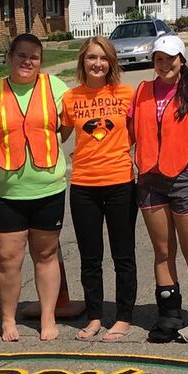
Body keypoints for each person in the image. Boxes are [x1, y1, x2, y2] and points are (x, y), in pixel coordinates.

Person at [0, 33, 69, 342]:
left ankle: (48, 316)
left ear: (41, 61)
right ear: (9, 57)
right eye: (21, 55)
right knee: (8, 259)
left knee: (45, 255)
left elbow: (67, 125)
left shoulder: (55, 87)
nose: (27, 61)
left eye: (34, 56)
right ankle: (8, 319)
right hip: (7, 192)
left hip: (48, 187)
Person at [131, 34, 188, 344]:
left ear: (181, 59)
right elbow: (125, 131)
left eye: (170, 58)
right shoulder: (142, 91)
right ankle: (169, 316)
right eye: (158, 59)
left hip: (185, 177)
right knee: (163, 252)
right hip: (150, 177)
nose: (164, 64)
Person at [61, 35, 136, 341]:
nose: (97, 63)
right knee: (90, 256)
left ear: (111, 62)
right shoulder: (71, 98)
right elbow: (57, 134)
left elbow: (138, 133)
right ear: (83, 61)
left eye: (103, 58)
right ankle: (94, 316)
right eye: (92, 57)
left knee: (123, 254)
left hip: (120, 182)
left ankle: (123, 316)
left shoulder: (126, 93)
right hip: (83, 185)